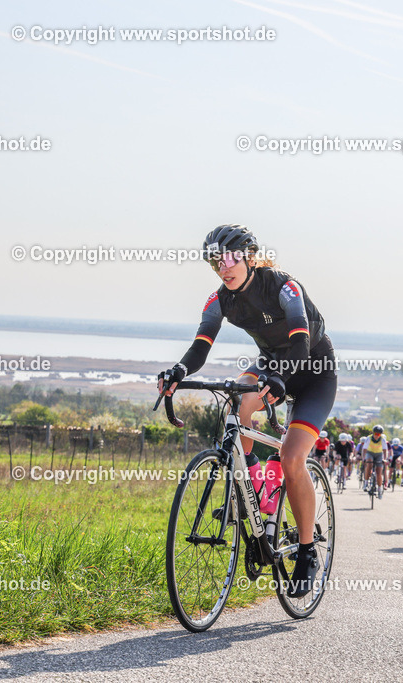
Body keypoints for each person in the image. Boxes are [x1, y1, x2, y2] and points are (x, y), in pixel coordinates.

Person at [158, 224, 337, 597]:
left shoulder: (283, 286)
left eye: (230, 258)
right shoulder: (219, 299)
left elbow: (301, 341)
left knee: (291, 458)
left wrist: (283, 377)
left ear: (249, 256)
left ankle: (306, 551)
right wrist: (179, 370)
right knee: (238, 404)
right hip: (272, 368)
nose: (223, 267)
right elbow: (201, 345)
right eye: (215, 261)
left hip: (313, 372)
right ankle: (254, 489)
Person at [362, 425, 388, 498]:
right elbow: (364, 449)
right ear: (373, 433)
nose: (377, 436)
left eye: (378, 434)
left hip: (379, 454)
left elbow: (385, 450)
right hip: (369, 453)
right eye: (375, 434)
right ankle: (366, 483)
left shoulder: (382, 439)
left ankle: (379, 489)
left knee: (379, 472)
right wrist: (364, 458)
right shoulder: (368, 438)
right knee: (369, 464)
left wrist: (385, 459)